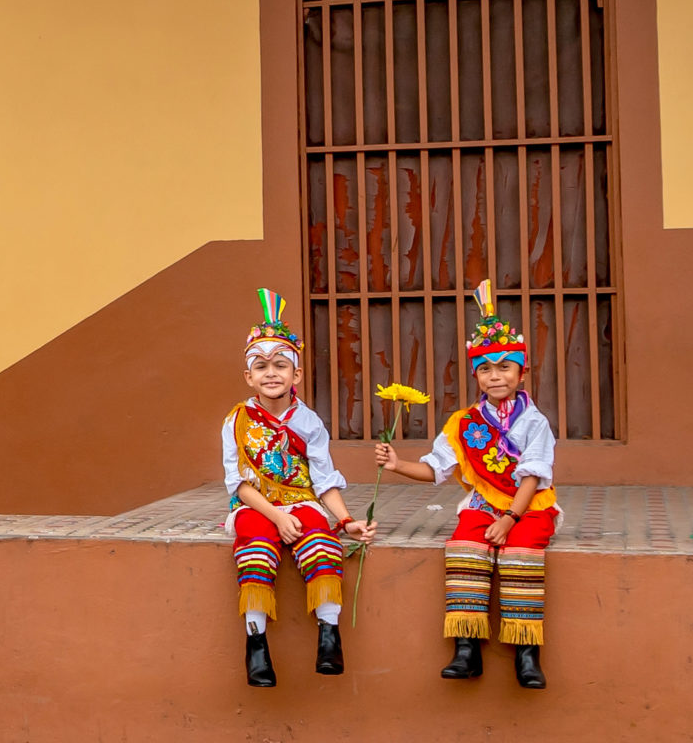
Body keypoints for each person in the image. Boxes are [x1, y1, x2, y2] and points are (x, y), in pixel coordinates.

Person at [373, 279, 557, 689]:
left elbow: (531, 475)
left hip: (530, 506)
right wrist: (399, 463)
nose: (495, 377)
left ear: (522, 373)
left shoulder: (535, 422)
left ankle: (527, 654)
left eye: (505, 367)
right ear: (477, 375)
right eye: (486, 369)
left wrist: (510, 518)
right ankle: (467, 647)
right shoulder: (463, 424)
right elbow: (436, 469)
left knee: (522, 552)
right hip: (482, 504)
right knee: (465, 546)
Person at [222, 289, 372, 687]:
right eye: (261, 366)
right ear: (248, 377)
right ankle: (256, 645)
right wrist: (276, 517)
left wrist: (346, 521)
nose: (271, 373)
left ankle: (329, 633)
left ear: (297, 375)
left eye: (281, 365)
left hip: (300, 501)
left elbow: (324, 480)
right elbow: (238, 484)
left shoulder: (309, 423)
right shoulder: (236, 422)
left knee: (320, 539)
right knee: (255, 545)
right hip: (257, 506)